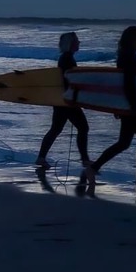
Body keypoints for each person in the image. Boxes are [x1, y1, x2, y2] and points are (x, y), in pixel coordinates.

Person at [82, 26, 136, 187]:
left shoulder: (126, 56)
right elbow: (128, 84)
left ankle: (93, 168)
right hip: (130, 106)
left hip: (126, 105)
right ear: (134, 39)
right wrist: (133, 107)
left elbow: (120, 84)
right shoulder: (129, 57)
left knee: (124, 142)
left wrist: (118, 106)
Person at [35, 32, 89, 169]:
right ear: (71, 43)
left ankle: (41, 158)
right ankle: (85, 160)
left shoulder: (66, 57)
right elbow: (68, 81)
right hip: (66, 101)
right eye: (77, 40)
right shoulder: (67, 59)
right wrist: (75, 99)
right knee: (83, 127)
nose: (79, 42)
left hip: (62, 99)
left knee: (56, 129)